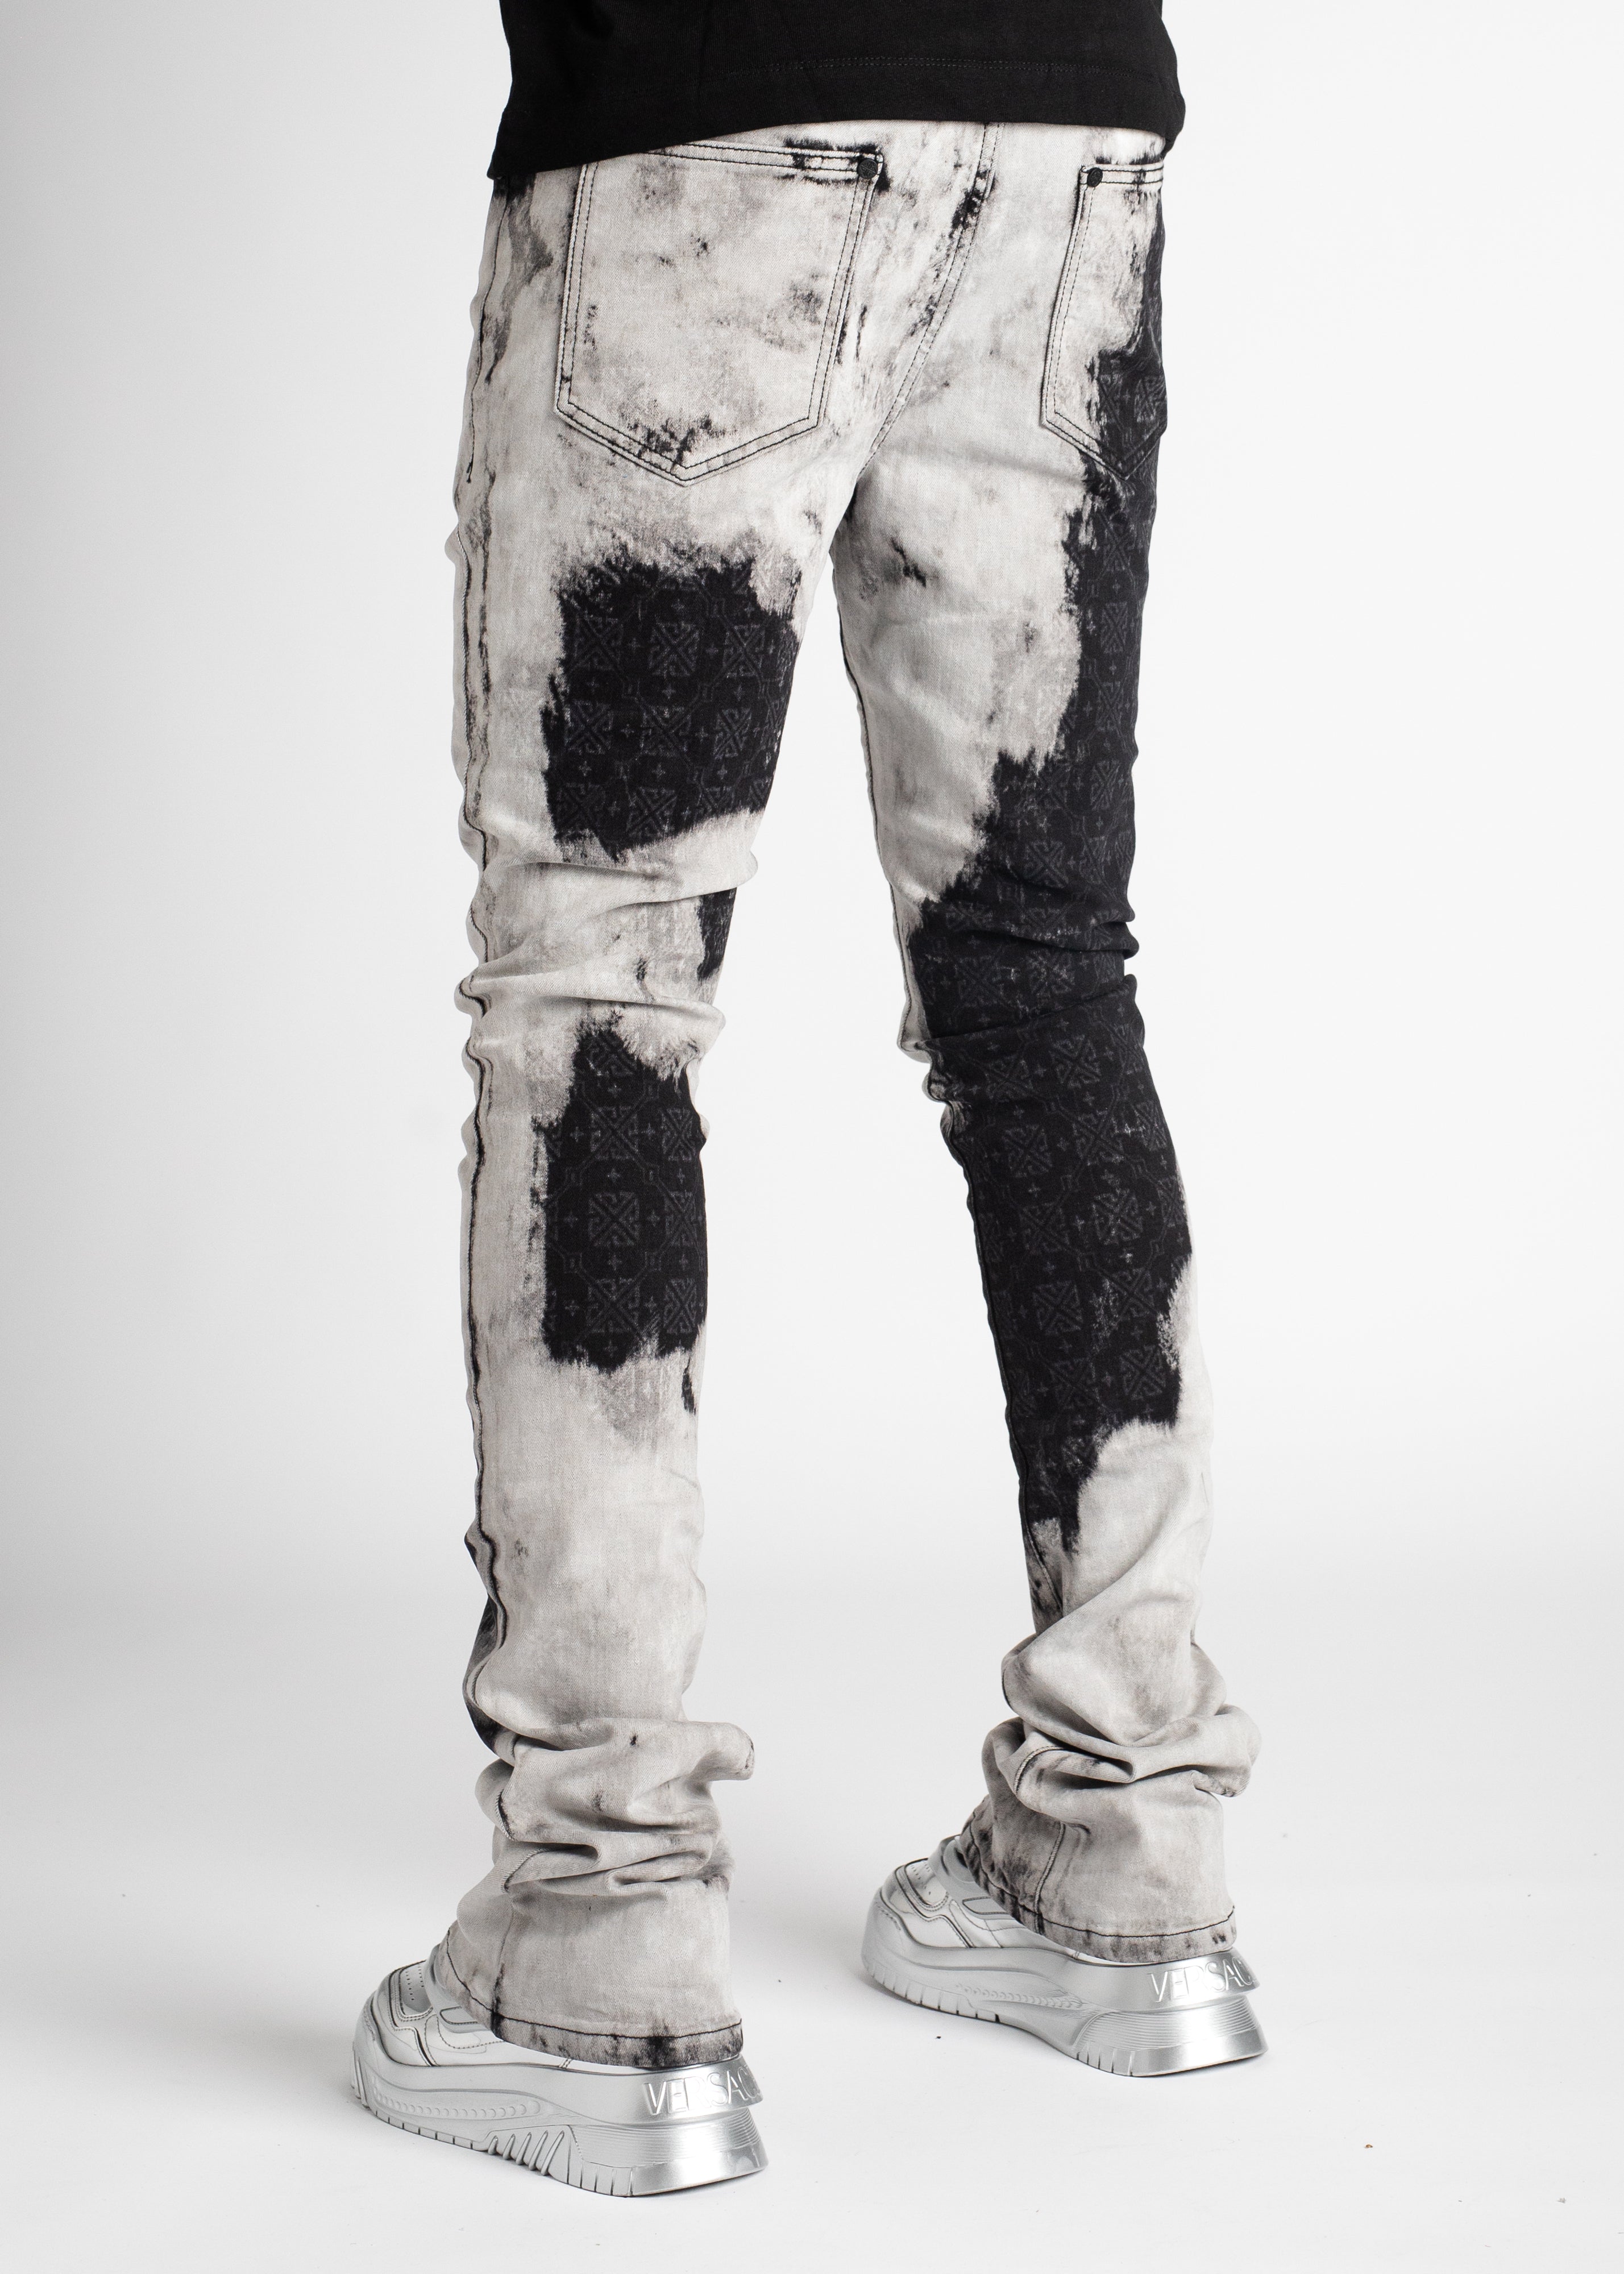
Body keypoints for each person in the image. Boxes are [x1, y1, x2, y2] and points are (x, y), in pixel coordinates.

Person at [352, 0, 1264, 2195]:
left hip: (708, 121)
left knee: (601, 983)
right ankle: (1124, 1836)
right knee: (1042, 972)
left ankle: (596, 1923)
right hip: (1062, 141)